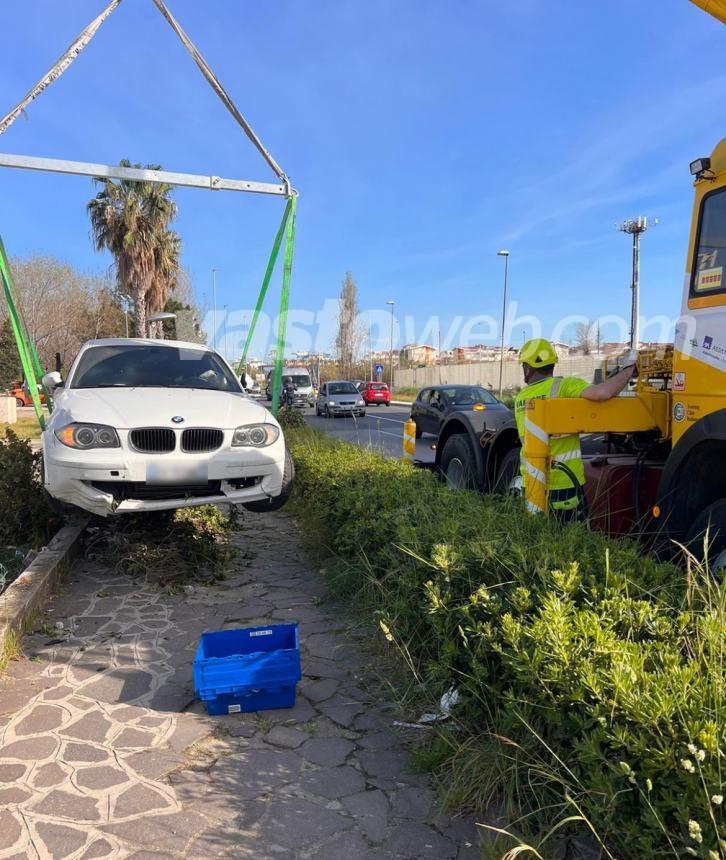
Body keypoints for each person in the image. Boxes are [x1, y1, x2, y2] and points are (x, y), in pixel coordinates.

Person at [515, 339, 636, 521]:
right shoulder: (563, 386)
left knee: (537, 534)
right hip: (564, 483)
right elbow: (601, 393)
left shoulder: (521, 398)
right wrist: (629, 370)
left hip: (531, 481)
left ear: (528, 367)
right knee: (568, 538)